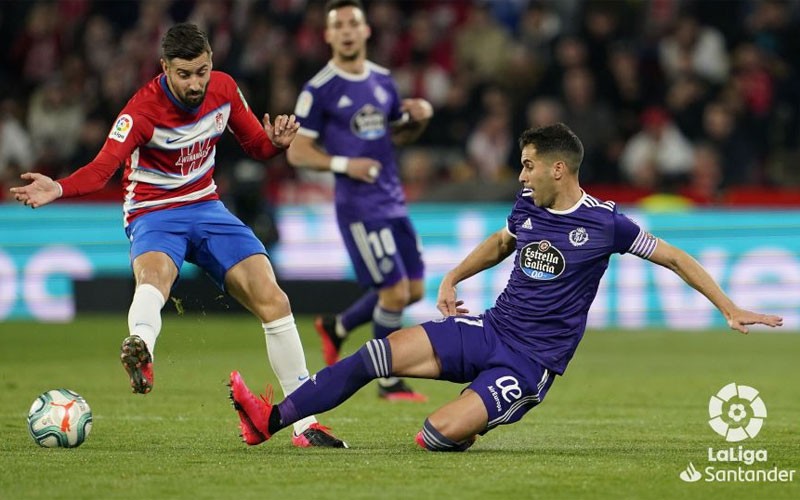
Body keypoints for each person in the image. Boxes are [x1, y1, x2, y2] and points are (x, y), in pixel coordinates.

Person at [228, 123, 783, 450]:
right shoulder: (528, 208)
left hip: (529, 364)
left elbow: (675, 257)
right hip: (488, 329)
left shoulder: (606, 224)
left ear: (558, 170)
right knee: (373, 356)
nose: (520, 176)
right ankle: (269, 421)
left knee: (435, 437)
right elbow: (500, 242)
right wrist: (452, 277)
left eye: (527, 166)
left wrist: (729, 306)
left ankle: (483, 409)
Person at [10, 22, 346, 449]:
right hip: (154, 212)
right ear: (164, 68)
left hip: (206, 206)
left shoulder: (224, 90)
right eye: (184, 74)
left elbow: (255, 146)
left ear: (211, 64)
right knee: (155, 279)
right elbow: (102, 168)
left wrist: (275, 143)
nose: (195, 83)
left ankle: (305, 424)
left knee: (274, 299)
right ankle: (141, 348)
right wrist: (59, 187)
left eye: (202, 71)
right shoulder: (140, 111)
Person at [286, 0, 433, 401]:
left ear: (366, 31)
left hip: (393, 199)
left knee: (415, 289)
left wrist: (416, 121)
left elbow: (394, 136)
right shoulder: (319, 89)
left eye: (354, 23)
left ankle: (337, 326)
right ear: (328, 35)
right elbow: (298, 151)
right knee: (394, 293)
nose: (348, 31)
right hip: (359, 206)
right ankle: (388, 381)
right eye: (339, 25)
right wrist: (343, 164)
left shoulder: (384, 81)